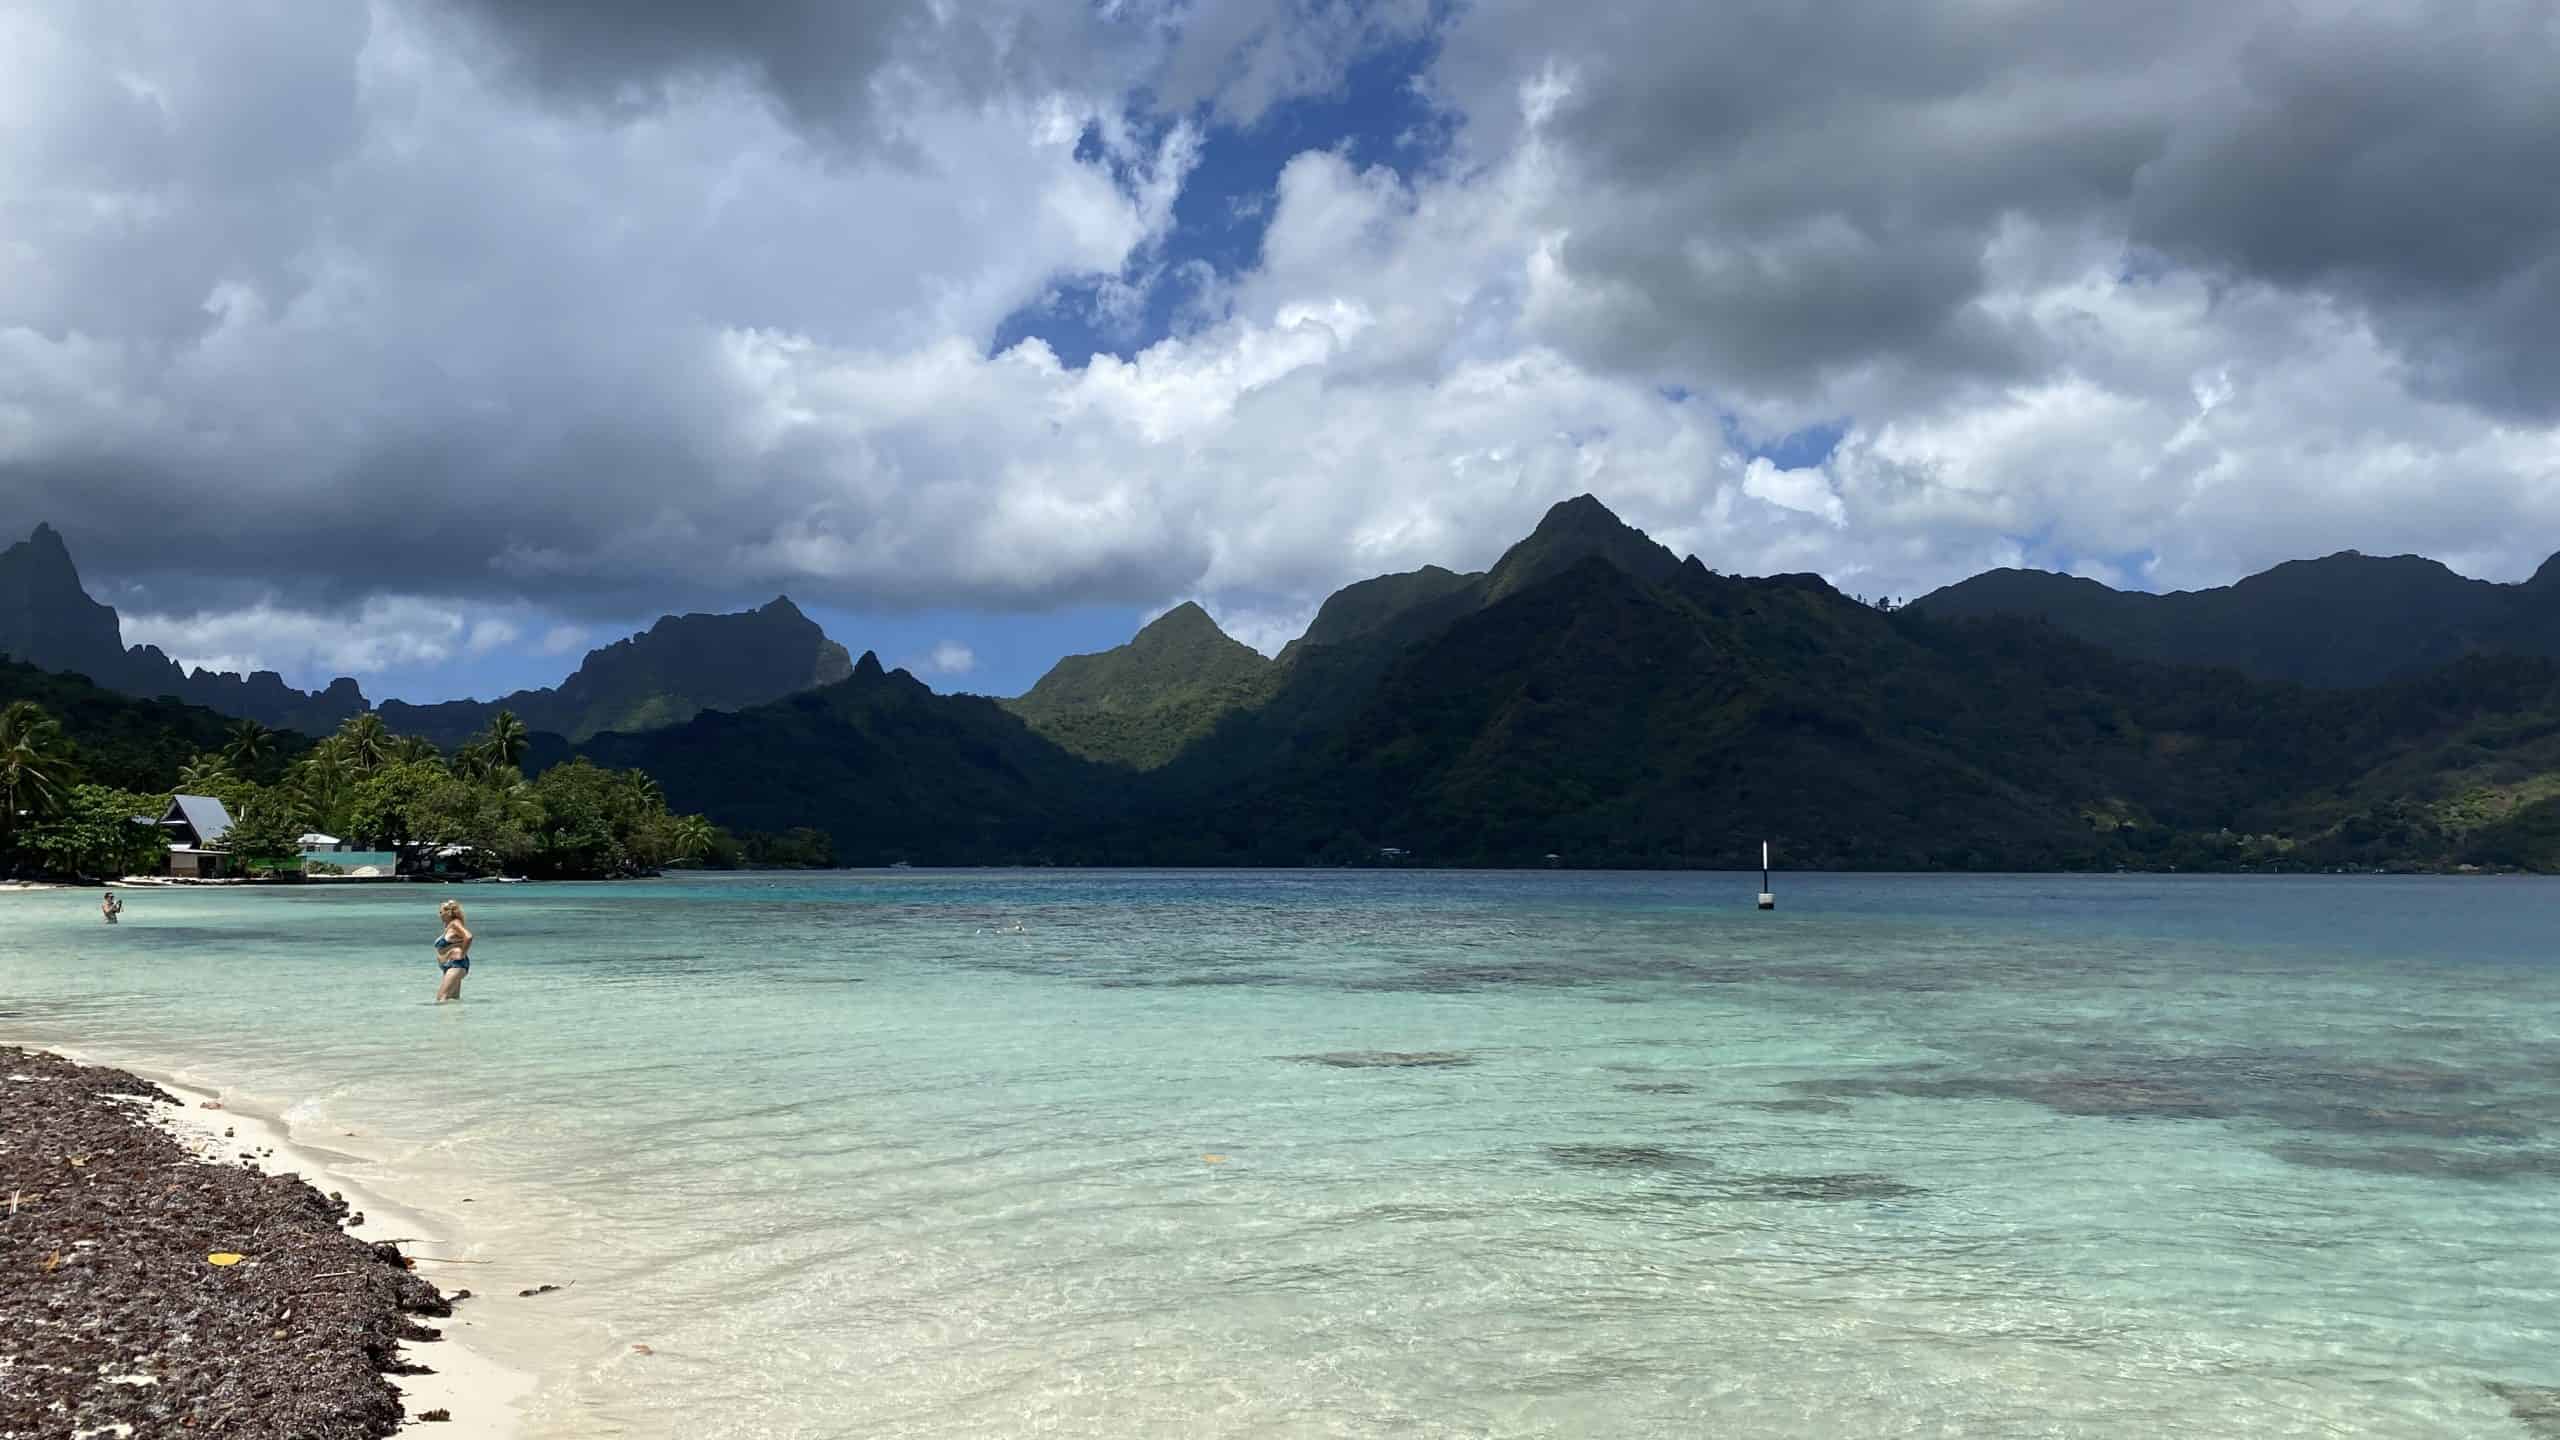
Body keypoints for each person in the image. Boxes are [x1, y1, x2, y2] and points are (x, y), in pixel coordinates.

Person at [433, 899, 473, 1002]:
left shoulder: (455, 923)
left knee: (441, 998)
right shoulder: (449, 926)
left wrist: (462, 954)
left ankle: (442, 1017)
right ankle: (456, 1017)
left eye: (441, 912)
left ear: (448, 913)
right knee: (453, 1000)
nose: (439, 915)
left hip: (456, 964)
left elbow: (468, 936)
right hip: (449, 965)